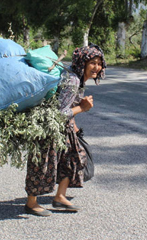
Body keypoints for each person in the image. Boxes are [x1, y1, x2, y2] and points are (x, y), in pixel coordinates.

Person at [24, 43, 107, 217]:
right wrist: (82, 108)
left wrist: (75, 127)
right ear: (82, 62)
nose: (97, 67)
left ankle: (60, 196)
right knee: (42, 164)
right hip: (50, 128)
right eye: (93, 62)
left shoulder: (77, 78)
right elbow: (59, 113)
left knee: (75, 158)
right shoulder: (73, 80)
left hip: (65, 129)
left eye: (99, 63)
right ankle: (31, 203)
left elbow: (66, 108)